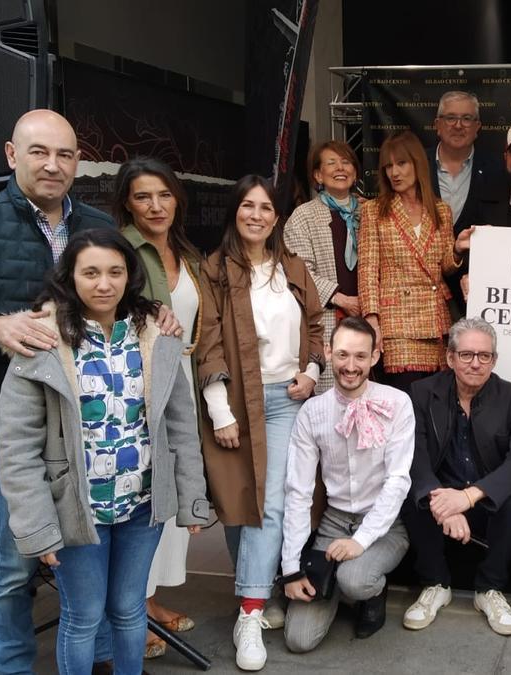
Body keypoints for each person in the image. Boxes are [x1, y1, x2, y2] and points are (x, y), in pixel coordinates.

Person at [0, 109, 118, 674]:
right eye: (39, 152)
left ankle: (102, 656)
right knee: (16, 558)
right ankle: (11, 668)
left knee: (90, 549)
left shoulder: (94, 224)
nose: (53, 165)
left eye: (64, 154)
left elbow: (117, 300)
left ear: (77, 162)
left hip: (93, 416)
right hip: (16, 422)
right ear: (13, 156)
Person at [0, 228, 208, 675]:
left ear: (129, 275)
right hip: (77, 511)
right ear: (70, 276)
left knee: (130, 609)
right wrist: (37, 527)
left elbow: (181, 425)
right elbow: (17, 448)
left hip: (140, 505)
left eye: (115, 271)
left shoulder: (156, 334)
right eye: (90, 272)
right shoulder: (42, 342)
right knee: (83, 616)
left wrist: (191, 499)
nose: (103, 283)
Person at [195, 175, 324, 671]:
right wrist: (219, 408)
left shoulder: (293, 267)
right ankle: (256, 589)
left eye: (266, 208)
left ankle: (249, 612)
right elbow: (205, 340)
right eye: (247, 206)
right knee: (235, 502)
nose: (256, 215)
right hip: (233, 400)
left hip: (285, 401)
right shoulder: (213, 270)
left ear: (277, 217)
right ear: (235, 213)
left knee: (271, 501)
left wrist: (311, 373)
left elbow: (315, 326)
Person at [111, 156, 204, 659]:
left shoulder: (183, 249)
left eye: (164, 194)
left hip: (182, 378)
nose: (155, 205)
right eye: (143, 196)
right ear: (127, 201)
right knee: (147, 496)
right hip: (144, 388)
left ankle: (148, 599)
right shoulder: (121, 249)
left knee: (172, 498)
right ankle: (133, 608)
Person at [280, 317, 414, 652]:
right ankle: (336, 580)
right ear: (328, 352)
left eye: (359, 356)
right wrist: (291, 567)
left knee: (354, 580)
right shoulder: (313, 412)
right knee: (298, 641)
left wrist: (361, 541)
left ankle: (364, 588)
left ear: (374, 357)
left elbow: (398, 481)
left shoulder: (397, 403)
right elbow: (298, 491)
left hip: (384, 526)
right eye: (342, 355)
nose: (350, 366)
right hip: (333, 522)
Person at [400, 317, 511, 636]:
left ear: (494, 360)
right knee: (411, 495)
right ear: (450, 357)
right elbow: (414, 454)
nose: (476, 363)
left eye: (484, 356)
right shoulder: (421, 393)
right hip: (440, 494)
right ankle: (435, 584)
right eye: (467, 355)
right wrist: (440, 499)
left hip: (484, 497)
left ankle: (489, 590)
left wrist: (469, 496)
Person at [358, 130, 471, 393]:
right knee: (405, 398)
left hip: (436, 321)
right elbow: (367, 270)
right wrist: (372, 321)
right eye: (388, 166)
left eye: (401, 163)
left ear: (418, 164)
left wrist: (456, 250)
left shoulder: (441, 209)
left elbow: (444, 266)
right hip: (396, 324)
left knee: (434, 402)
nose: (393, 172)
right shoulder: (374, 210)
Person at [284, 140, 365, 394]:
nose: (340, 168)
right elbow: (299, 271)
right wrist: (341, 299)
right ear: (318, 175)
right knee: (333, 396)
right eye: (331, 163)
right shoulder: (303, 215)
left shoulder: (370, 211)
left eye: (346, 162)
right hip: (329, 318)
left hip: (369, 317)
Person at [425, 90, 503, 233]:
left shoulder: (496, 169)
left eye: (466, 118)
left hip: (477, 255)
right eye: (450, 118)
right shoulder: (417, 164)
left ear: (477, 126)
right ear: (437, 125)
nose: (458, 125)